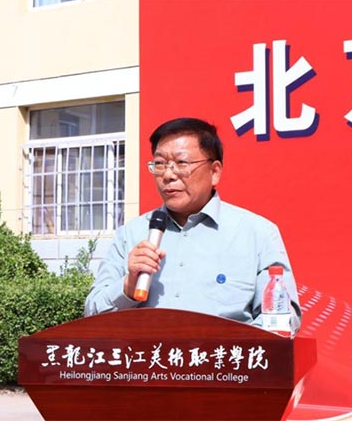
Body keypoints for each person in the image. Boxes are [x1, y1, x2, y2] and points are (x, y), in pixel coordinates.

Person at [84, 117, 301, 332]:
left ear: (214, 172)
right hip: (148, 355)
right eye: (160, 164)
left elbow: (284, 318)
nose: (168, 175)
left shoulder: (257, 233)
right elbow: (91, 314)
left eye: (181, 163)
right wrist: (128, 286)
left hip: (223, 354)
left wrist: (232, 345)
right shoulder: (131, 234)